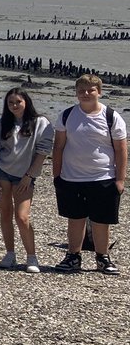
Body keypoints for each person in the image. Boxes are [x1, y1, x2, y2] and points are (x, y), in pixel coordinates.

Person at [52, 75, 126, 274]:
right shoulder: (67, 115)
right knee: (75, 218)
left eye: (90, 90)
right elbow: (58, 146)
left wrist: (120, 179)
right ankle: (73, 256)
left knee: (101, 221)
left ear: (99, 92)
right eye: (81, 90)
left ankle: (103, 258)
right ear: (76, 93)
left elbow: (121, 150)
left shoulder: (111, 116)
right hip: (71, 177)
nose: (86, 94)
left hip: (103, 177)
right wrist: (56, 176)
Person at [0, 88, 53, 272]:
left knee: (22, 217)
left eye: (18, 102)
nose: (14, 106)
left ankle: (31, 257)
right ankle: (10, 253)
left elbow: (43, 152)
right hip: (3, 172)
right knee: (5, 214)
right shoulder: (1, 124)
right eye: (10, 103)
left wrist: (30, 176)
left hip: (25, 175)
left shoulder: (41, 123)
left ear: (26, 102)